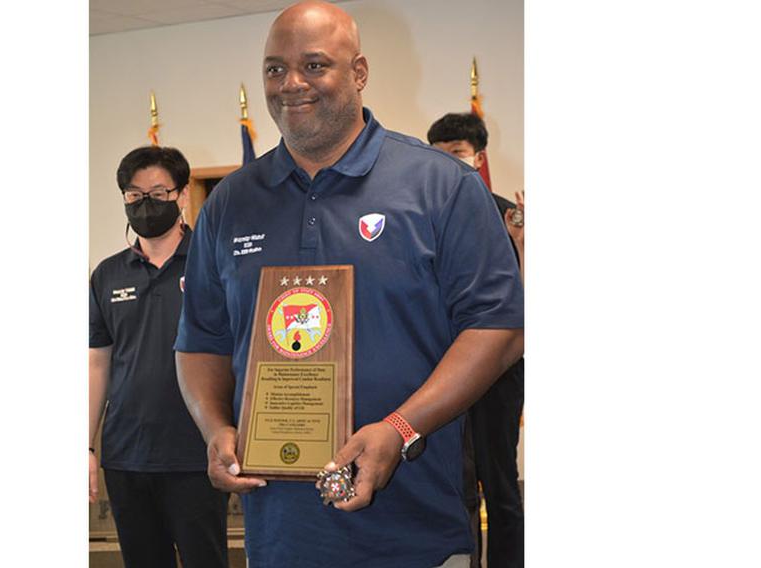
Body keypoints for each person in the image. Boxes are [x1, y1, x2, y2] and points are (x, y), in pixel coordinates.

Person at [175, 2, 523, 567]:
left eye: (314, 65)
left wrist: (400, 428)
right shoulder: (231, 204)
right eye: (274, 69)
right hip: (280, 539)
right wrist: (215, 427)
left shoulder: (442, 187)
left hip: (416, 534)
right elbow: (200, 341)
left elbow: (500, 328)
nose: (291, 84)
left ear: (358, 73)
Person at [88, 146, 228, 568]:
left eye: (157, 193)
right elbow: (98, 363)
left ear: (183, 195)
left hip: (197, 452)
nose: (145, 204)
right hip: (127, 455)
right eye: (134, 196)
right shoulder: (108, 274)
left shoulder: (213, 263)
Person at [429, 112, 526, 568]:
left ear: (479, 157)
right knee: (457, 484)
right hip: (445, 369)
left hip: (501, 372)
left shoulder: (509, 215)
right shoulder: (425, 216)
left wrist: (524, 245)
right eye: (438, 156)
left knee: (500, 484)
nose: (449, 165)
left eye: (458, 155)